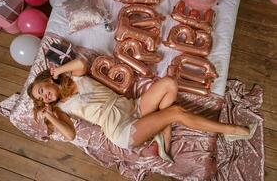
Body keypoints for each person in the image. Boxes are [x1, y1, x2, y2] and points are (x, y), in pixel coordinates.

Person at [27, 58, 257, 162]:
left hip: (132, 107)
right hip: (120, 128)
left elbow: (82, 64)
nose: (45, 96)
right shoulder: (60, 108)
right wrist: (48, 114)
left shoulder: (69, 76)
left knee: (169, 83)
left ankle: (161, 130)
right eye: (41, 98)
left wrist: (58, 72)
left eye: (42, 90)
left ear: (48, 81)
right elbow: (70, 135)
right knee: (176, 111)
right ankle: (233, 131)